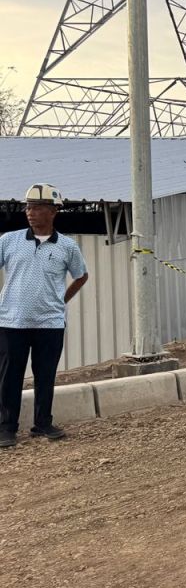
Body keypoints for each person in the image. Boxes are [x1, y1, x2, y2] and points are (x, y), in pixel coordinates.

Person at [0, 184, 89, 448]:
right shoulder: (9, 240)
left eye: (37, 208)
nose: (30, 212)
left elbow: (81, 276)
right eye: (28, 207)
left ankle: (43, 423)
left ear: (53, 212)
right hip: (11, 321)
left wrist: (61, 301)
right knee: (9, 376)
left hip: (50, 323)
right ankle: (6, 428)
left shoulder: (67, 246)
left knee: (45, 374)